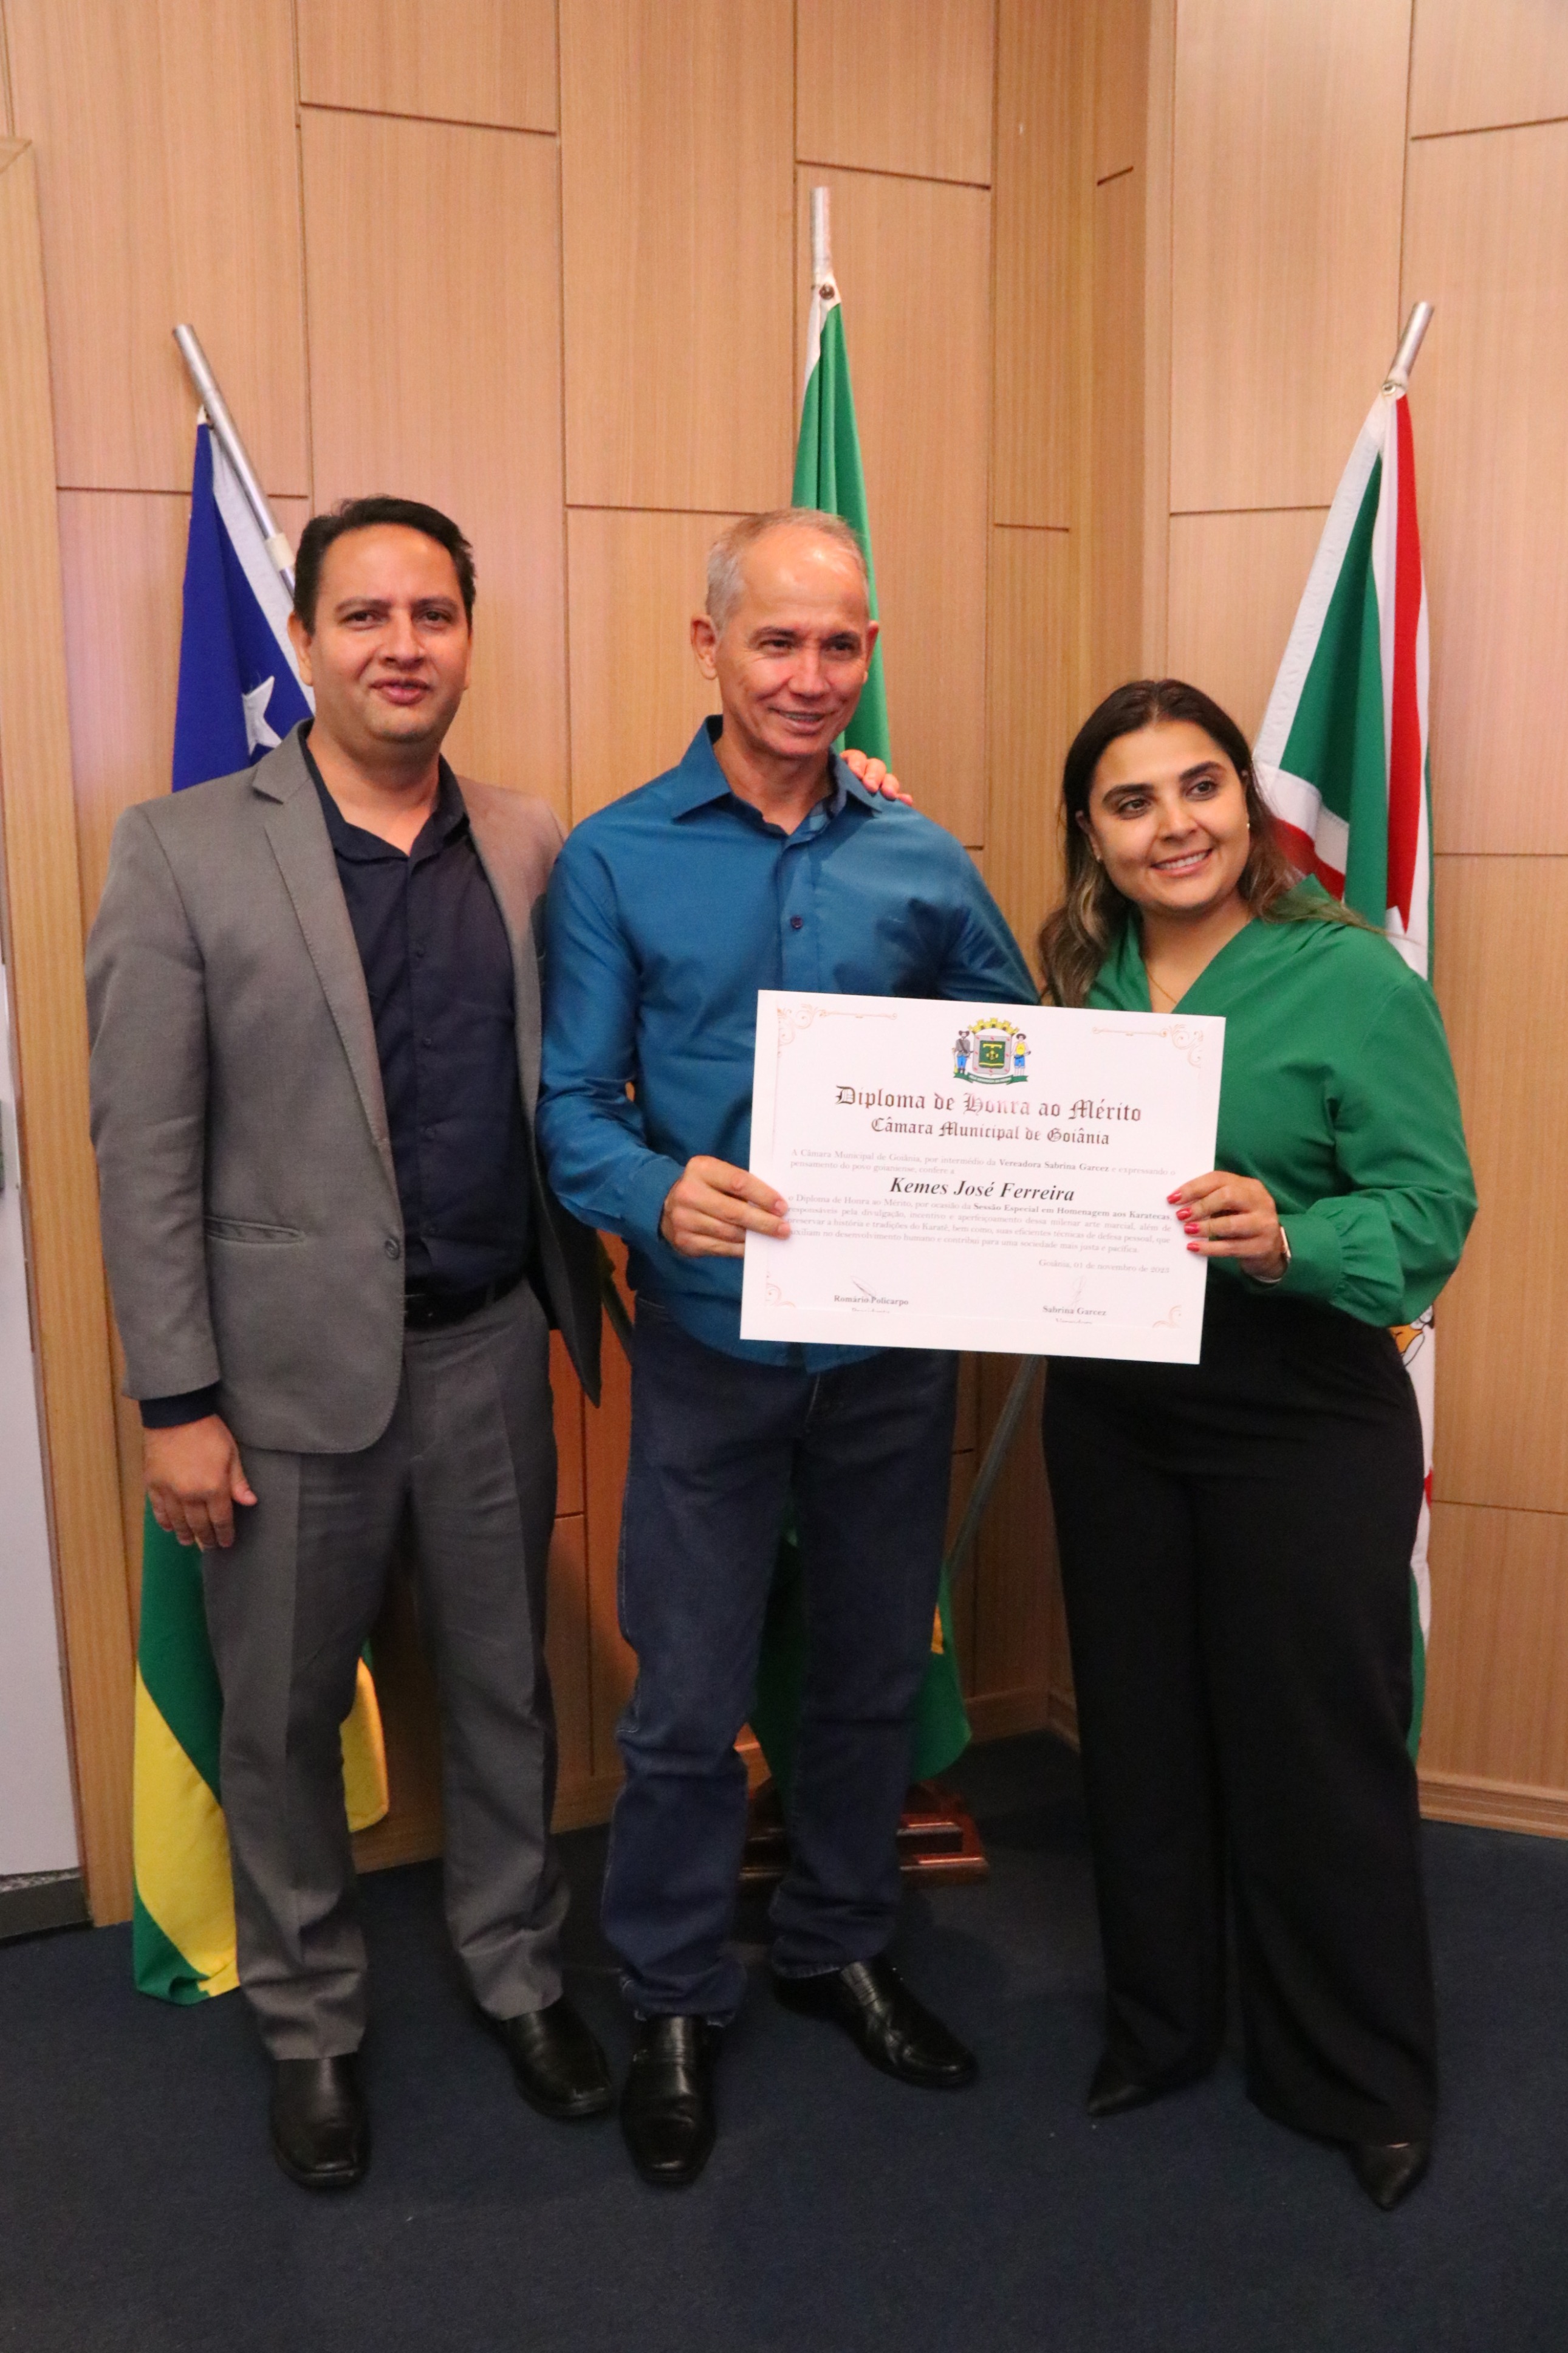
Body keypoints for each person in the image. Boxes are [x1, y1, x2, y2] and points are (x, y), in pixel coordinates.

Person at [87, 498, 610, 2191]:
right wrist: (176, 1401)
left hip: (486, 1354)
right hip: (276, 1387)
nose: (403, 644)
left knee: (505, 1693)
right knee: (281, 1719)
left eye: (433, 613)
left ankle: (519, 1973)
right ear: (306, 637)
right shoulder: (180, 847)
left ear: (468, 636)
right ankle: (310, 2024)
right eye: (367, 614)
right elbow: (145, 1152)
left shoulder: (530, 842)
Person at [537, 508, 1036, 2186]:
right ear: (709, 647)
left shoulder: (921, 856)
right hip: (710, 1346)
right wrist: (652, 1188)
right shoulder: (614, 858)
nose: (809, 676)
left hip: (894, 1347)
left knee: (869, 1671)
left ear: (867, 655)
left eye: (839, 646)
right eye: (776, 641)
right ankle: (673, 1996)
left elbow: (1019, 1057)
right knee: (685, 1697)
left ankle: (836, 1944)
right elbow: (569, 1107)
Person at [1035, 678, 1476, 2211]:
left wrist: (1288, 1233)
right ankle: (1162, 2026)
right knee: (1140, 1730)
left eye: (1201, 785)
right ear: (1088, 831)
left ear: (1247, 798)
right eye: (1132, 800)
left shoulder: (1349, 974)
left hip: (1299, 1404)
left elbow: (1430, 1211)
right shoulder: (1070, 979)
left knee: (1313, 1743)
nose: (1175, 824)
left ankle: (1358, 2073)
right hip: (1111, 1410)